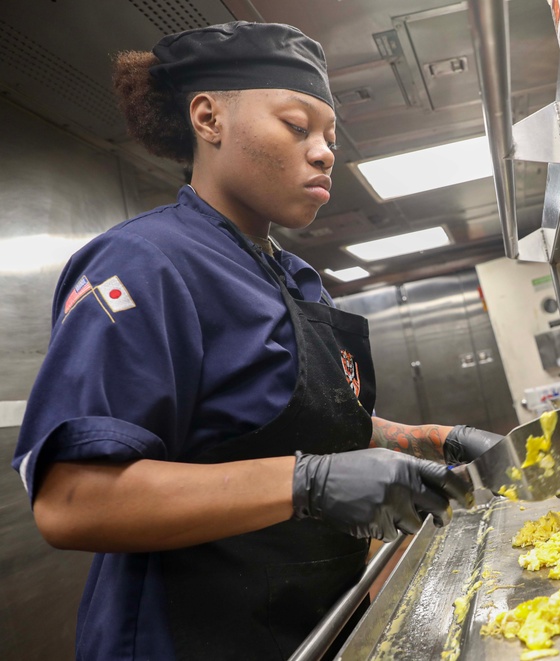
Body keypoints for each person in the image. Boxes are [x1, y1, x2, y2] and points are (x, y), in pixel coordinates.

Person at [11, 21, 503, 661]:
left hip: (311, 627)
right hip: (187, 639)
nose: (325, 152)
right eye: (298, 127)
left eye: (330, 137)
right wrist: (310, 483)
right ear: (209, 118)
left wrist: (435, 441)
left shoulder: (298, 279)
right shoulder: (144, 264)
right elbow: (71, 501)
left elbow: (299, 426)